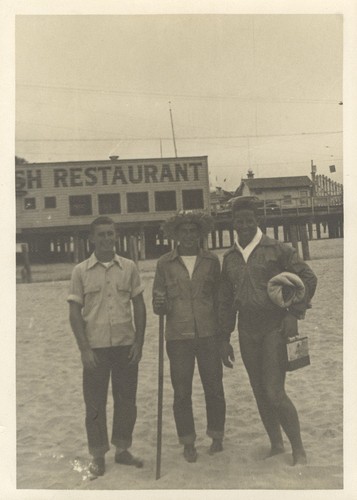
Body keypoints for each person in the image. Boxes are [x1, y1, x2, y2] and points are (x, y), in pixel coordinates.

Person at [218, 196, 317, 465]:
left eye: (250, 220)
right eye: (240, 221)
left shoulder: (277, 249)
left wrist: (294, 313)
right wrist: (225, 337)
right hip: (246, 329)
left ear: (257, 220)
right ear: (233, 224)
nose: (245, 225)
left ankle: (298, 449)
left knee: (274, 391)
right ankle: (276, 444)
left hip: (274, 327)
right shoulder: (229, 258)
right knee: (258, 390)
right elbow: (226, 301)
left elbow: (307, 278)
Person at [68, 216, 146, 476]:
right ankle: (98, 454)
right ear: (92, 238)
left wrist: (140, 341)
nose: (106, 239)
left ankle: (123, 450)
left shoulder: (129, 267)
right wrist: (84, 349)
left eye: (110, 234)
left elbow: (139, 305)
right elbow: (74, 313)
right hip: (96, 348)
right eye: (100, 235)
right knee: (94, 404)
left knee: (127, 401)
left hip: (126, 345)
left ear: (116, 236)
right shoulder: (80, 271)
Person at [152, 211, 226, 463]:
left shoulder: (212, 261)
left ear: (200, 234)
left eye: (193, 231)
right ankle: (188, 441)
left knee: (214, 388)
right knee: (182, 392)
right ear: (175, 235)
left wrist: (222, 334)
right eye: (183, 231)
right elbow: (156, 303)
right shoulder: (164, 263)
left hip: (208, 334)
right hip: (177, 337)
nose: (189, 235)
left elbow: (219, 299)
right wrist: (160, 303)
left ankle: (217, 436)